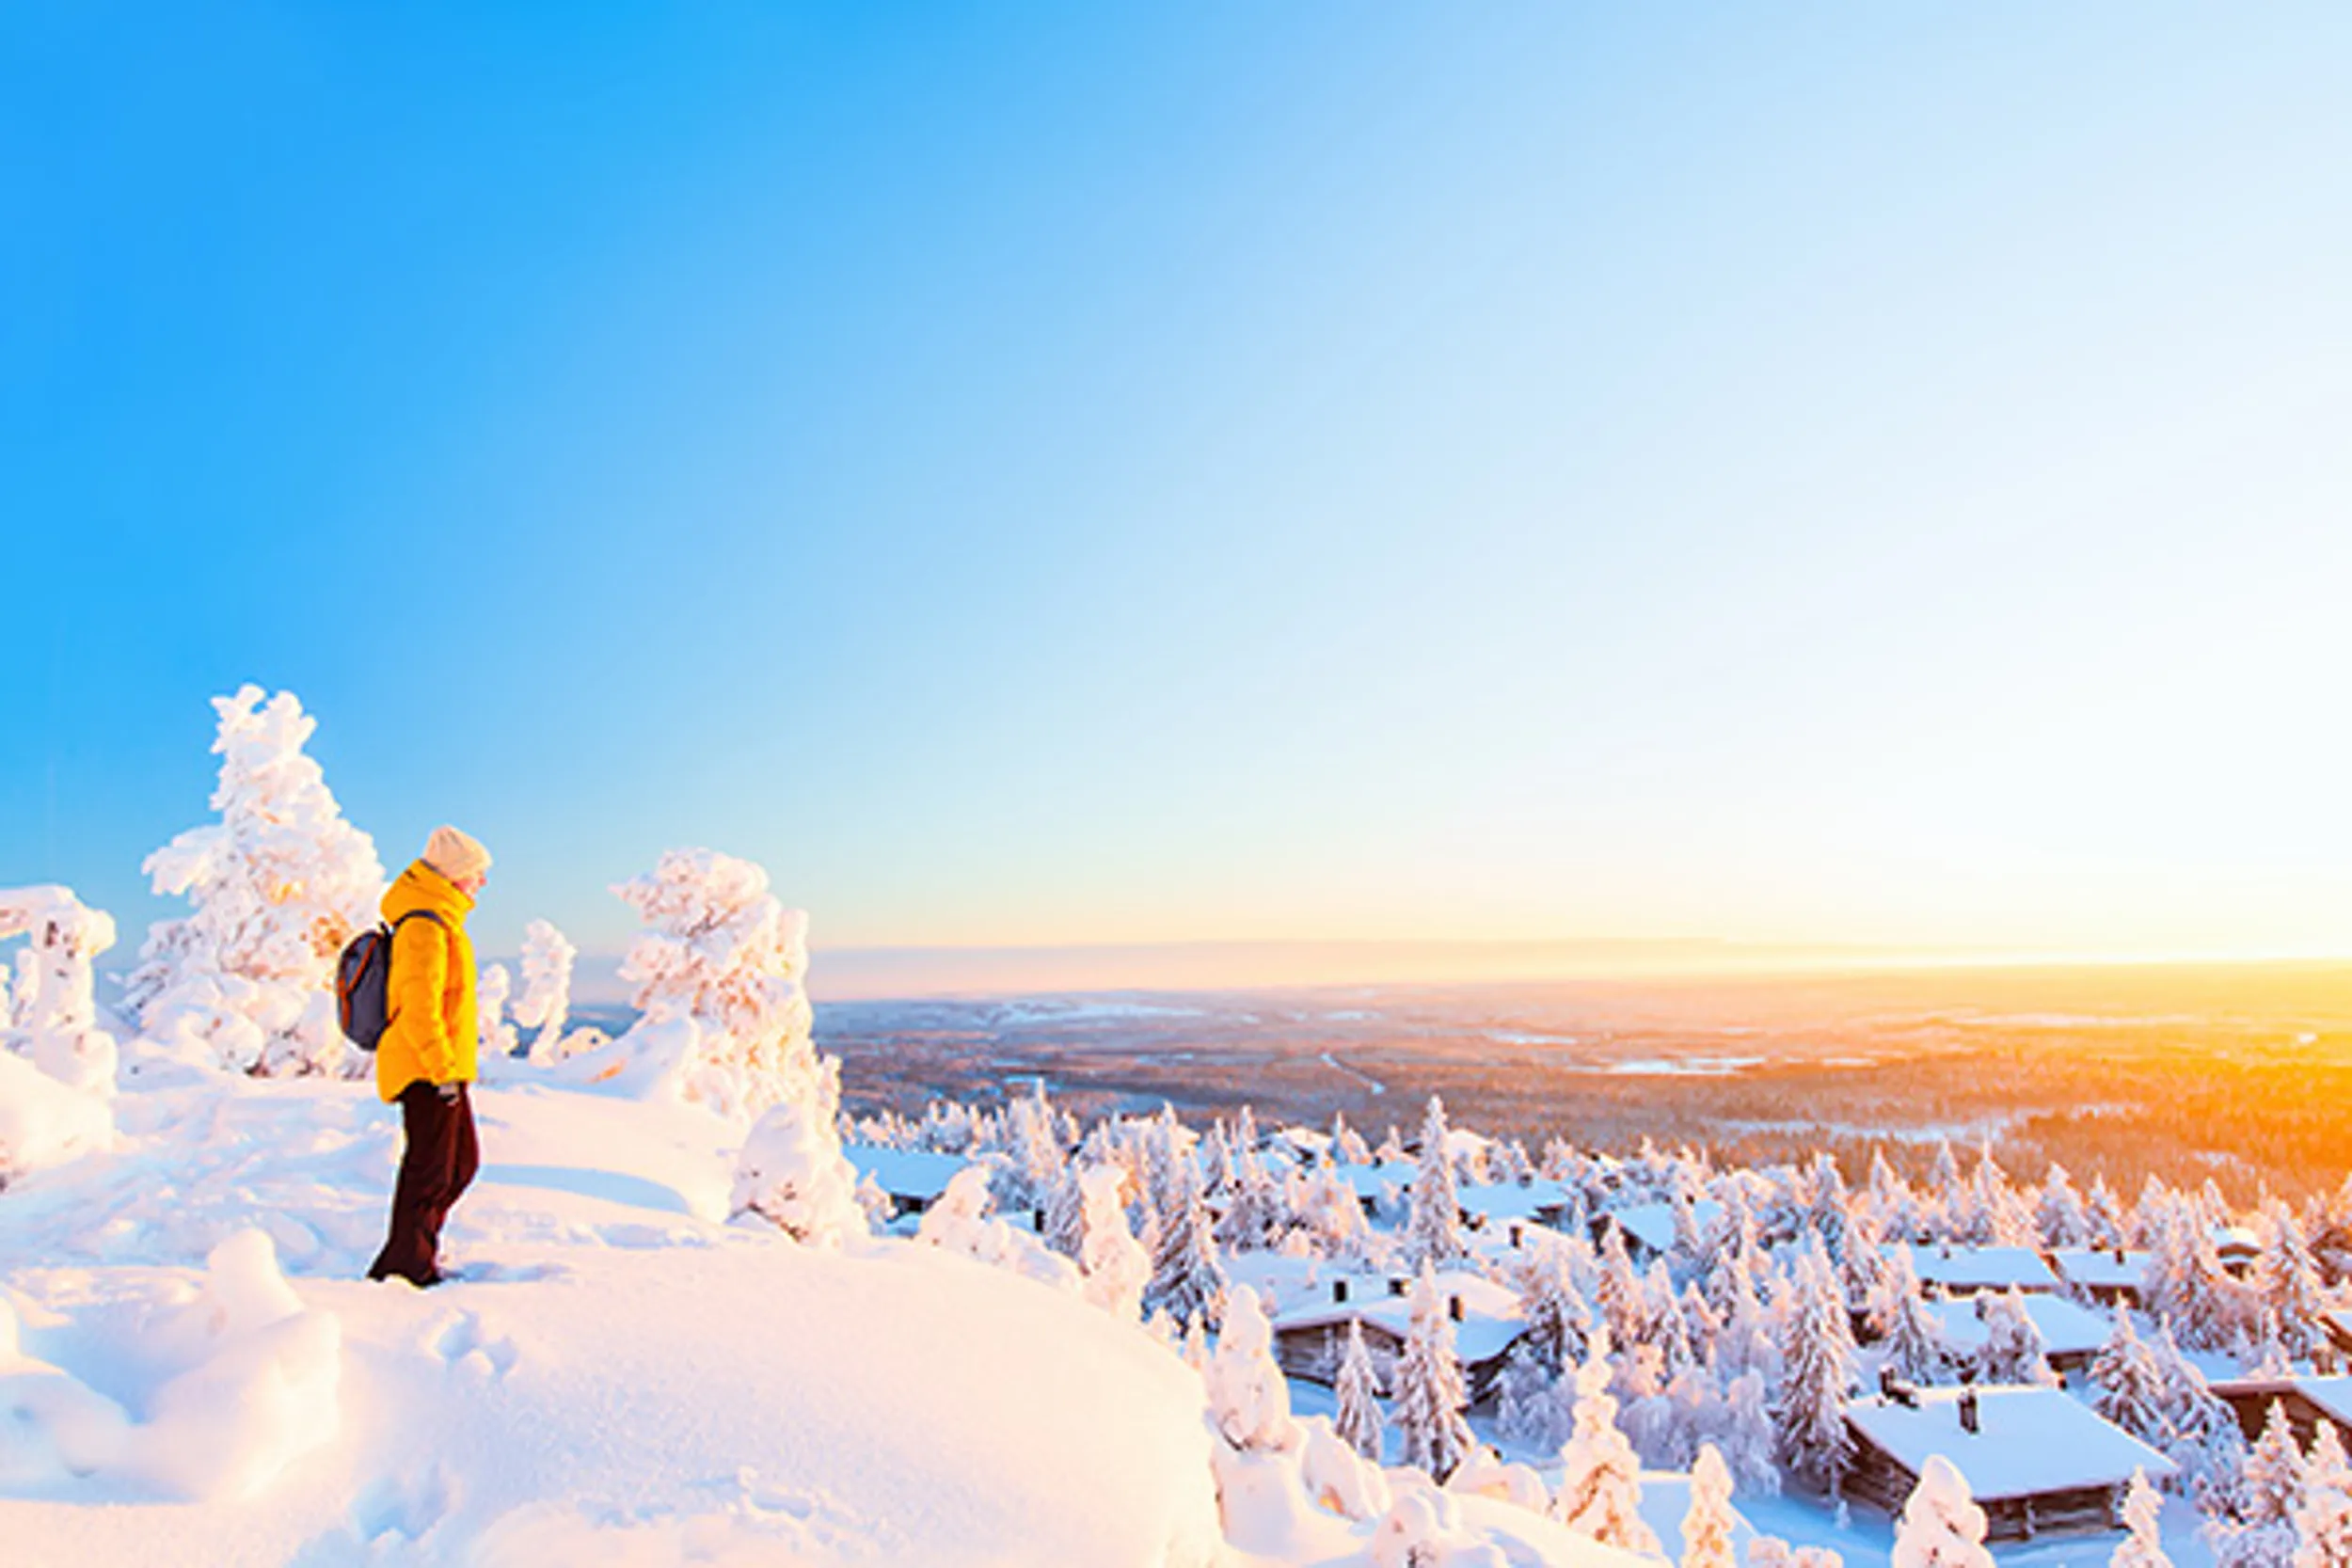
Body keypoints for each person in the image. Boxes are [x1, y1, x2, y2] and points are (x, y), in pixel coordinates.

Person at [367, 825, 490, 1287]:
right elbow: (417, 1006)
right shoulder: (424, 923)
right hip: (426, 1067)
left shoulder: (439, 919)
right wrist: (441, 1071)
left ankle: (412, 1256)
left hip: (442, 1067)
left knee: (459, 1164)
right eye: (477, 874)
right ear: (456, 875)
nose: (482, 883)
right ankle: (407, 1269)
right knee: (431, 1170)